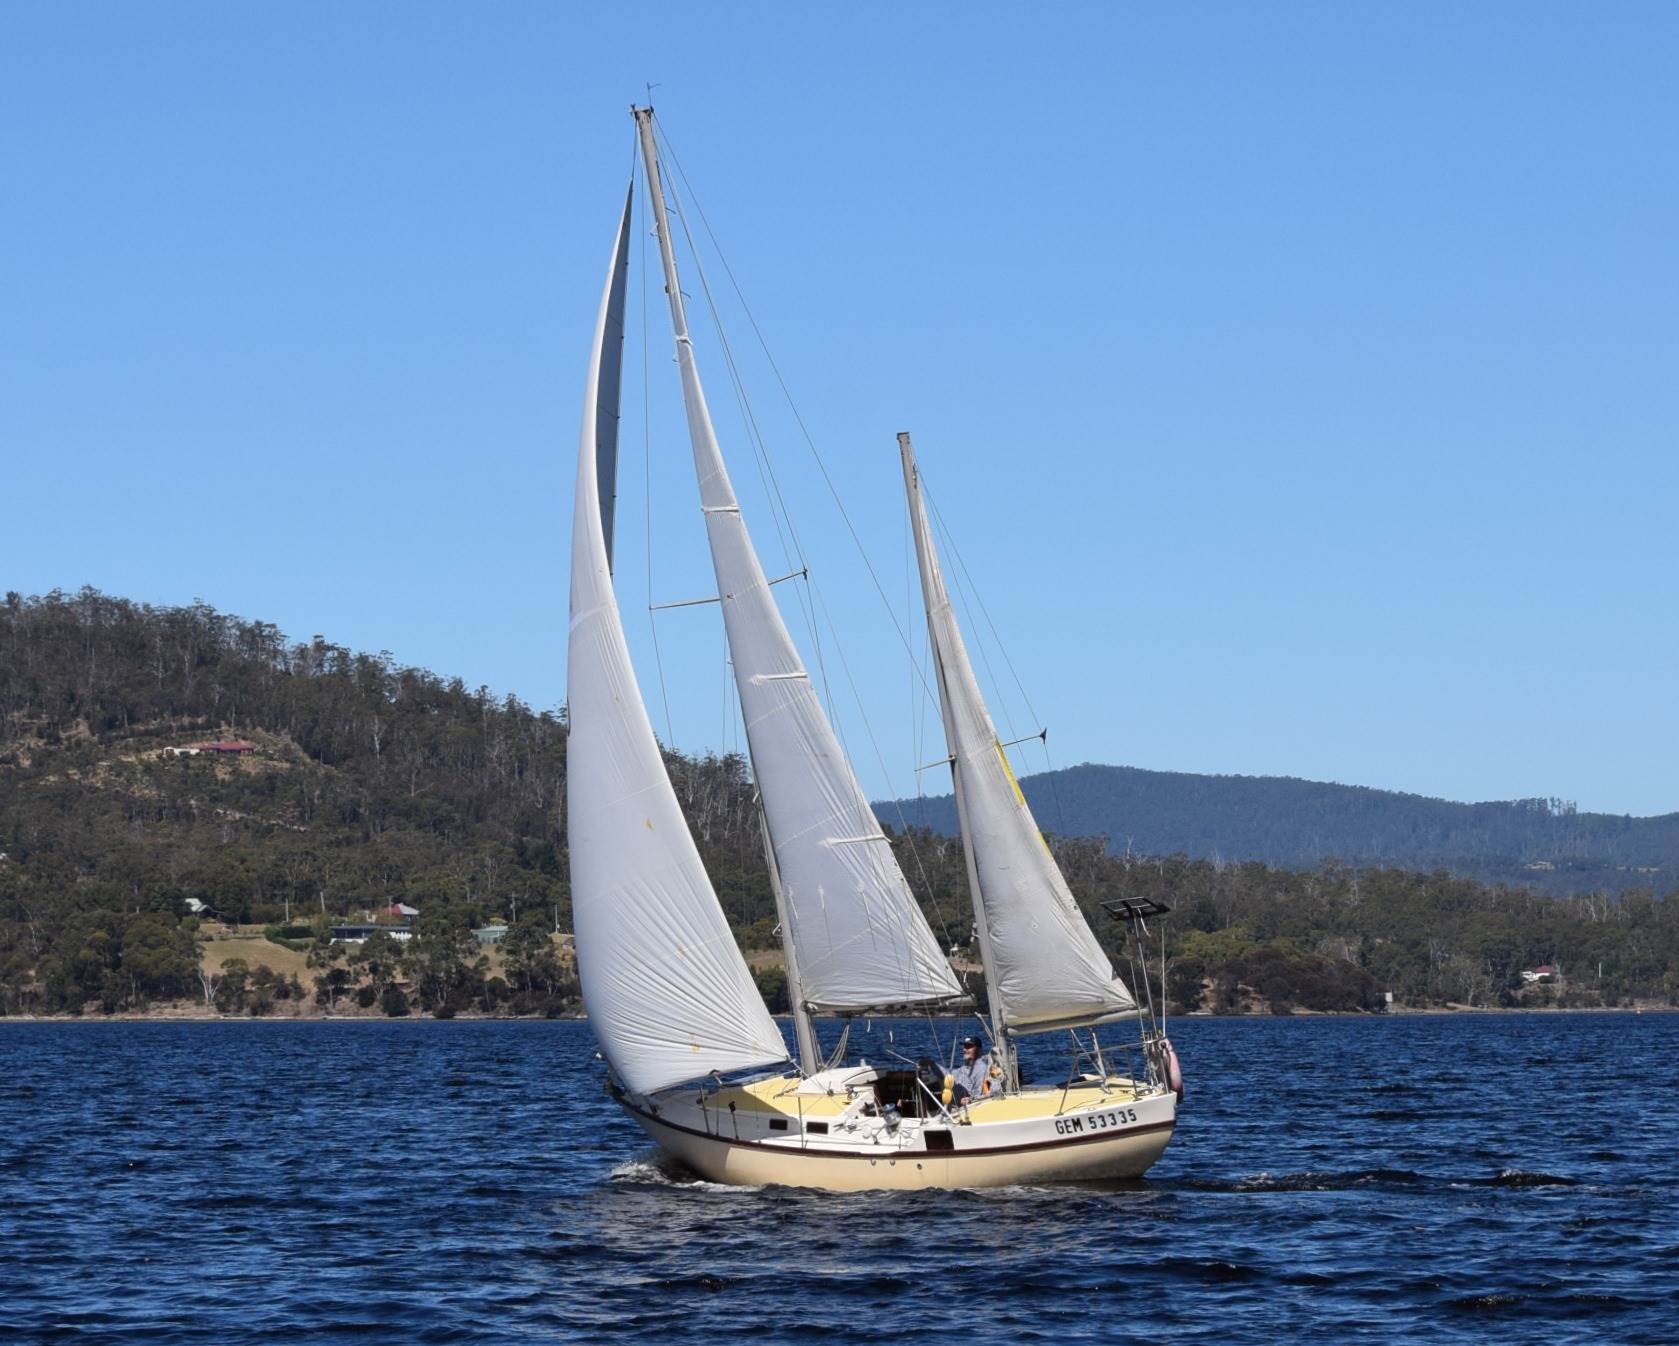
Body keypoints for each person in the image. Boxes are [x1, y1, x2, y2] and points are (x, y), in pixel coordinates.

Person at [949, 1035, 1000, 1106]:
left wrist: (972, 1099)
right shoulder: (960, 1071)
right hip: (959, 1108)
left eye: (969, 1047)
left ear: (979, 1050)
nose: (965, 1049)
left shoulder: (986, 1071)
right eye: (965, 1047)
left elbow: (988, 1092)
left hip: (977, 1107)